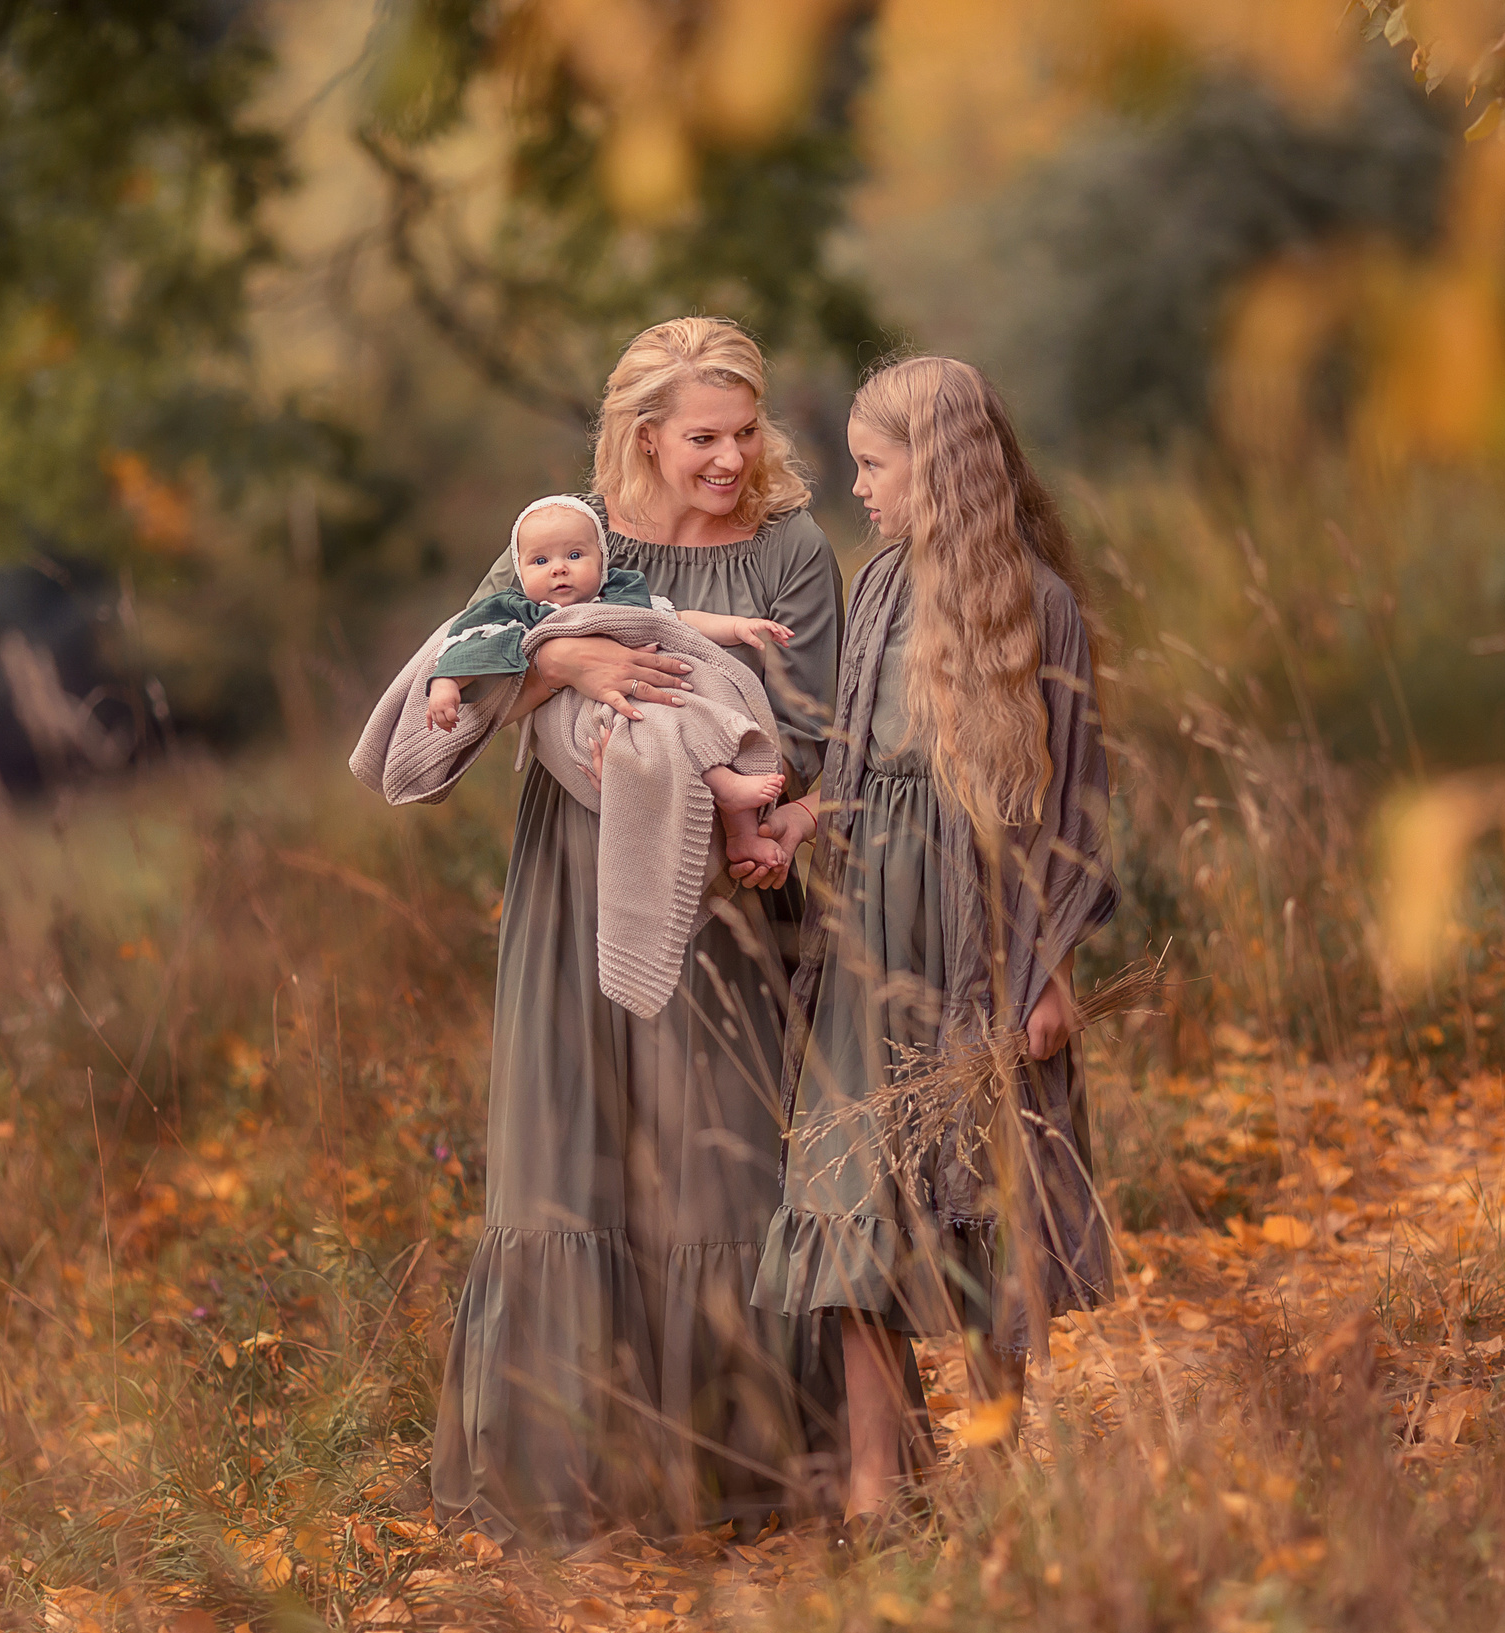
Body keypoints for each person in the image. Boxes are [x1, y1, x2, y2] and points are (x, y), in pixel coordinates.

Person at [425, 318, 844, 1545]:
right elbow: (475, 670)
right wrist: (578, 673)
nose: (727, 458)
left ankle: (752, 1475)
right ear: (644, 435)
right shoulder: (567, 538)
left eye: (744, 431)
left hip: (725, 875)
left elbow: (814, 724)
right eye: (701, 436)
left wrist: (738, 799)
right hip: (575, 871)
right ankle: (581, 1479)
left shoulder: (792, 546)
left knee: (721, 1153)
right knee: (578, 1148)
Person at [748, 355, 1117, 1527]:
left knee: (978, 1194)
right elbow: (855, 770)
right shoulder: (878, 585)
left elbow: (1070, 810)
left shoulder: (1035, 605)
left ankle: (1000, 1465)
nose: (858, 487)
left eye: (873, 463)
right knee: (845, 1184)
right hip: (869, 927)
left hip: (976, 927)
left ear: (939, 467)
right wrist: (802, 815)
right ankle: (871, 1492)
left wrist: (1044, 970)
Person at [423, 494, 792, 871]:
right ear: (519, 570)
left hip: (648, 695)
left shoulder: (619, 598)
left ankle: (742, 835)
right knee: (668, 728)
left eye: (575, 556)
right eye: (540, 561)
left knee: (710, 712)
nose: (559, 570)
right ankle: (721, 786)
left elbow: (678, 618)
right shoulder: (519, 613)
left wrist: (737, 626)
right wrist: (446, 684)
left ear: (601, 559)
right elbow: (469, 645)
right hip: (592, 716)